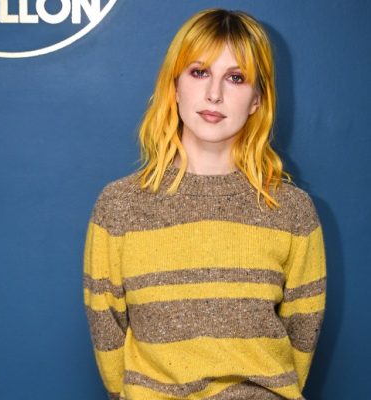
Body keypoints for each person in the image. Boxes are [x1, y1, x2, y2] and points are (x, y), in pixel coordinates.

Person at [83, 8, 326, 400]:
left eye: (235, 78)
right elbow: (107, 333)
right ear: (174, 86)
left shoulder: (292, 212)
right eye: (199, 72)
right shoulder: (118, 207)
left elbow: (303, 335)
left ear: (256, 100)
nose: (215, 94)